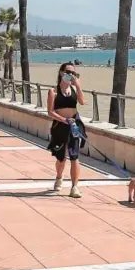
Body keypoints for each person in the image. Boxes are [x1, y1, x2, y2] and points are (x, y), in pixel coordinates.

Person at [47, 63, 86, 198]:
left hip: (74, 125)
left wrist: (78, 86)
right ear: (61, 73)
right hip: (60, 126)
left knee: (74, 157)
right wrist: (64, 120)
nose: (71, 75)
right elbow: (50, 112)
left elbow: (82, 102)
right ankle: (59, 177)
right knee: (61, 158)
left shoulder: (74, 90)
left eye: (74, 73)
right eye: (68, 72)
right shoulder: (54, 91)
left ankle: (74, 187)